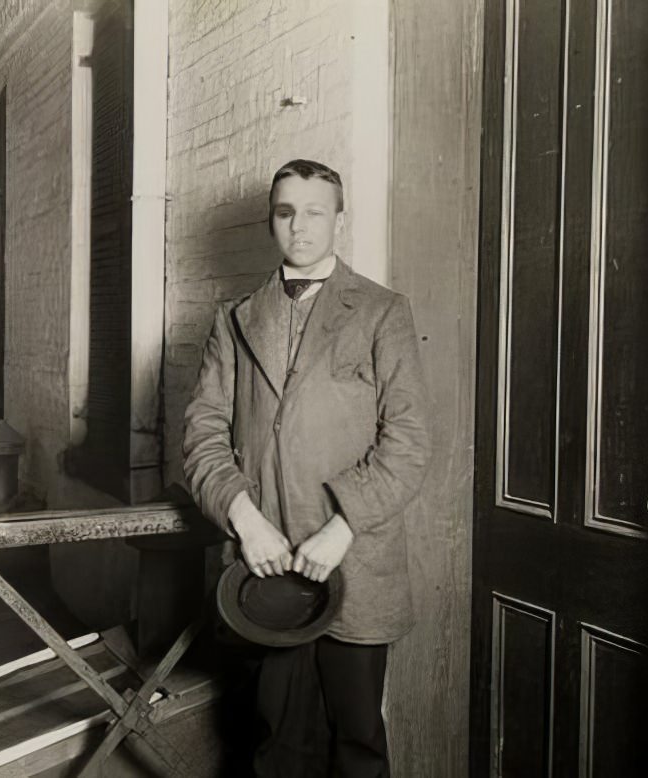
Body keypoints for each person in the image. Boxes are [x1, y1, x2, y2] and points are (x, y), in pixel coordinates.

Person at [182, 159, 431, 777]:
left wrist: (341, 528)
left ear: (338, 220)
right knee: (278, 746)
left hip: (358, 565)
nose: (299, 226)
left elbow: (408, 442)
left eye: (315, 211)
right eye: (285, 211)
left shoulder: (381, 311)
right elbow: (203, 436)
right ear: (272, 221)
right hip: (267, 570)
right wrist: (246, 520)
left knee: (358, 745)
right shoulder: (233, 319)